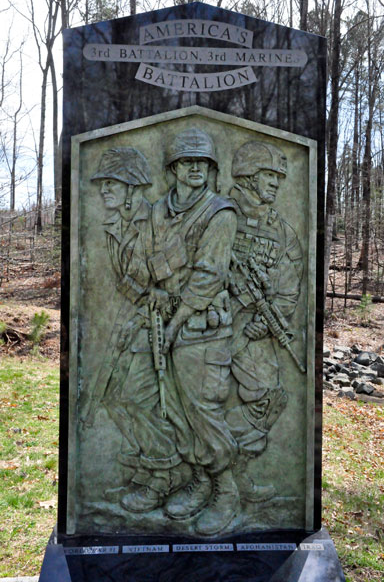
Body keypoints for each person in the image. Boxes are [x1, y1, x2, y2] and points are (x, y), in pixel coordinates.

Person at [136, 127, 239, 536]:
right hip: (165, 325)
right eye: (187, 161)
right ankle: (200, 479)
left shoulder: (220, 213)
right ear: (174, 167)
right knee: (174, 410)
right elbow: (151, 261)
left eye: (202, 162)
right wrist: (158, 296)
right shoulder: (159, 210)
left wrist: (176, 324)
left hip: (202, 330)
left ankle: (226, 490)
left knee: (203, 412)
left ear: (211, 168)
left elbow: (208, 276)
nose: (195, 168)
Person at [83, 147, 190, 513]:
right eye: (101, 185)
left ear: (131, 187)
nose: (103, 191)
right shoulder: (113, 225)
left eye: (111, 183)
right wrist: (140, 290)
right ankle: (148, 465)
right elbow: (124, 283)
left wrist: (153, 285)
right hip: (132, 322)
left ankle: (166, 474)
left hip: (160, 326)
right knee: (112, 397)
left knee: (139, 399)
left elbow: (181, 258)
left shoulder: (159, 216)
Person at [225, 140, 303, 502]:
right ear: (248, 175)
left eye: (278, 177)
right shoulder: (218, 214)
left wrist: (266, 321)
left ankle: (230, 476)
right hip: (206, 327)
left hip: (253, 331)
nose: (275, 183)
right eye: (268, 175)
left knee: (271, 398)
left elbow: (289, 286)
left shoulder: (282, 231)